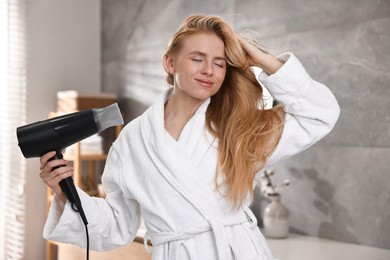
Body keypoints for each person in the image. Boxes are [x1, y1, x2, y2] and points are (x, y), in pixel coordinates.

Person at [39, 14, 340, 260]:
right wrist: (66, 193)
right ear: (171, 63)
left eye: (220, 63)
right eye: (197, 59)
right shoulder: (133, 140)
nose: (209, 70)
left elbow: (319, 113)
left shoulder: (238, 126)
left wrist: (262, 60)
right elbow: (118, 223)